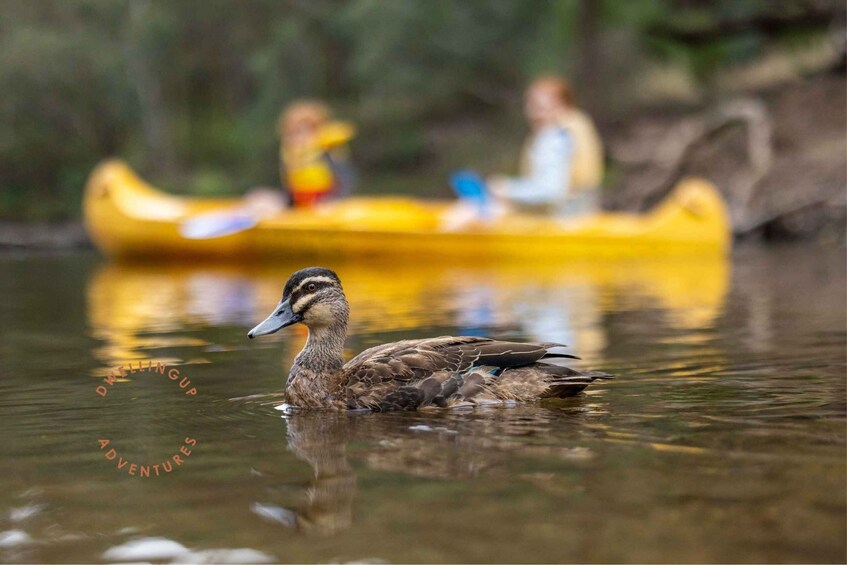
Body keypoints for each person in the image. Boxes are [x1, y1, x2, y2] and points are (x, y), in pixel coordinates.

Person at [488, 77, 603, 216]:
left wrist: (507, 189)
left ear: (562, 106)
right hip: (580, 214)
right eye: (530, 105)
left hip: (563, 219)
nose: (532, 112)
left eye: (540, 106)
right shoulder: (573, 128)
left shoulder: (556, 135)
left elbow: (551, 191)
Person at [277, 100, 356, 208]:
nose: (300, 138)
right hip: (302, 205)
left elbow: (346, 181)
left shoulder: (326, 152)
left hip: (326, 204)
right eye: (294, 133)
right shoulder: (289, 156)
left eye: (305, 131)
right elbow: (289, 189)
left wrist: (333, 201)